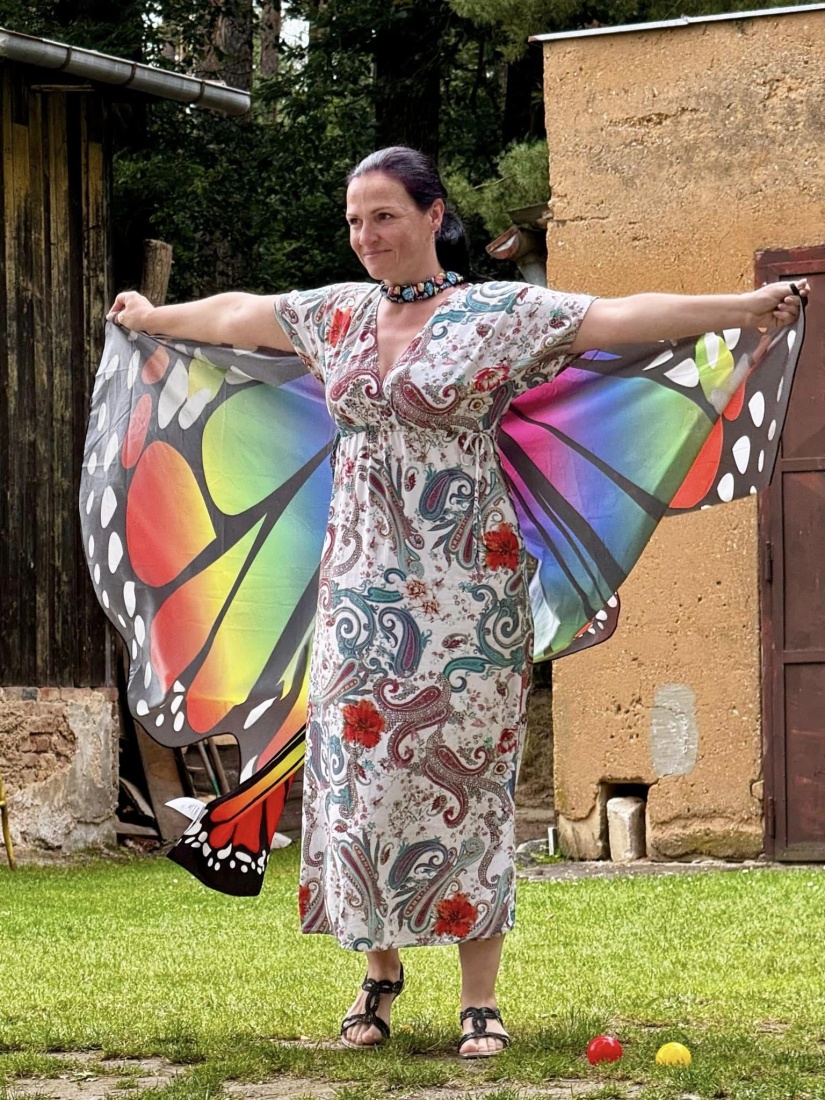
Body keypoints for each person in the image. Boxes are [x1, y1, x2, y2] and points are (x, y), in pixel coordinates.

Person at [107, 146, 808, 1058]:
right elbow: (239, 314)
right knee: (360, 785)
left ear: (433, 216)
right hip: (358, 596)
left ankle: (480, 999)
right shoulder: (336, 314)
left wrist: (740, 308)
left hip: (469, 595)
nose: (366, 235)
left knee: (469, 783)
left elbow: (619, 315)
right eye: (354, 220)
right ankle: (379, 972)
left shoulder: (498, 314)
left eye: (384, 216)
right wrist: (151, 316)